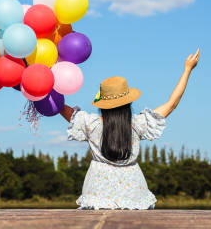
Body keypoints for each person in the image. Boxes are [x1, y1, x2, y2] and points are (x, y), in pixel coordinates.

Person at [59, 48, 200, 210]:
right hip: (134, 193)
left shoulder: (89, 123)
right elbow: (172, 104)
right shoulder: (138, 123)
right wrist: (187, 70)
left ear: (103, 104)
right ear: (128, 102)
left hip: (97, 192)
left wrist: (44, 82)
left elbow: (58, 106)